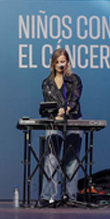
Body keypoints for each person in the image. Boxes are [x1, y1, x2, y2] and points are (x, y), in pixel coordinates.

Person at [40, 47, 82, 204]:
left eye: (63, 61)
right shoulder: (47, 83)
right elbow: (48, 103)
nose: (60, 65)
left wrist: (66, 109)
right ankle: (48, 196)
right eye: (57, 62)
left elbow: (75, 99)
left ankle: (70, 197)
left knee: (72, 161)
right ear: (53, 64)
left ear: (68, 62)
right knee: (51, 158)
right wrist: (56, 113)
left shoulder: (74, 80)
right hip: (55, 122)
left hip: (73, 120)